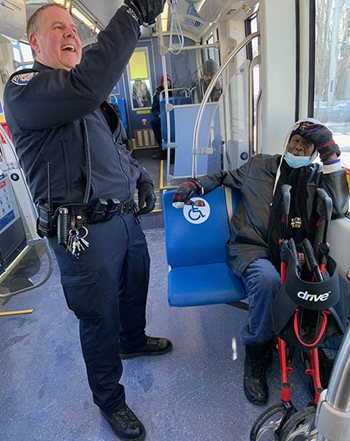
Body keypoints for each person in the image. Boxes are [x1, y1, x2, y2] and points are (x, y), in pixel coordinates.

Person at [4, 2, 172, 441]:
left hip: (122, 219)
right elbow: (87, 85)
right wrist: (132, 14)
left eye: (75, 29)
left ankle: (132, 340)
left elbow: (113, 149)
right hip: (82, 234)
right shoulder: (27, 90)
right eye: (58, 28)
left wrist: (139, 178)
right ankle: (110, 401)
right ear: (34, 43)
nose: (72, 34)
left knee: (136, 282)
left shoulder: (88, 100)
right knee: (98, 318)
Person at [172, 120, 349, 406]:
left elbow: (339, 207)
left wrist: (331, 155)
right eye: (295, 139)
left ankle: (326, 354)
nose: (298, 145)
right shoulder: (259, 165)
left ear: (316, 153)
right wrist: (196, 184)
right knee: (268, 280)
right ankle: (257, 354)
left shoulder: (317, 176)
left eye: (306, 144)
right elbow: (224, 176)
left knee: (334, 284)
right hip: (252, 247)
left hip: (296, 252)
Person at [150, 75, 172, 160]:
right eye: (164, 82)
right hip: (162, 116)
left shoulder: (175, 91)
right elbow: (154, 108)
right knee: (153, 122)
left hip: (173, 115)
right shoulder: (158, 93)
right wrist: (159, 115)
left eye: (168, 81)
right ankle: (162, 147)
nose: (166, 83)